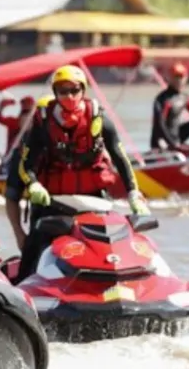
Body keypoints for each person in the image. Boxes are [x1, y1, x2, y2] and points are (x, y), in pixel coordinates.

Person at [13, 66, 150, 284]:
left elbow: (120, 157)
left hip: (93, 198)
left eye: (74, 90)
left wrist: (133, 193)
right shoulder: (43, 121)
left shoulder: (99, 118)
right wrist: (34, 184)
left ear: (83, 91)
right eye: (62, 91)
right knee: (34, 245)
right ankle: (23, 285)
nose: (69, 96)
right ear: (55, 93)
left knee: (116, 242)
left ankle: (127, 280)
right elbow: (25, 164)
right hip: (52, 200)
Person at [3, 95, 54, 254]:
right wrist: (19, 235)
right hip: (42, 226)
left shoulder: (82, 144)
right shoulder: (24, 153)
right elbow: (11, 196)